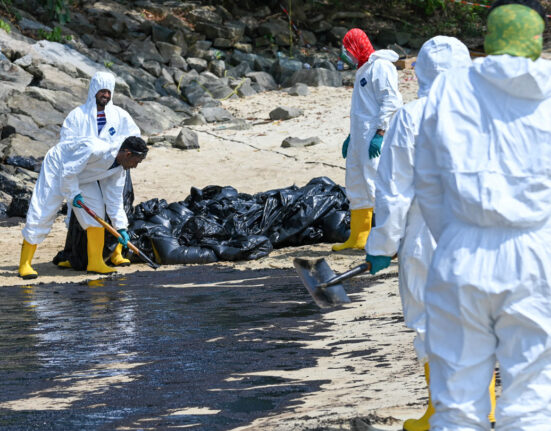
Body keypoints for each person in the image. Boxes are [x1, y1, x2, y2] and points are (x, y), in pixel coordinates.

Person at [411, 1, 550, 429]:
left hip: (461, 246)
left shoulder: (450, 87)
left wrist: (454, 235)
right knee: (532, 395)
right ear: (538, 38)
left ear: (487, 37)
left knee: (456, 400)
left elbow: (428, 183)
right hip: (535, 249)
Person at [364, 36, 497, 430]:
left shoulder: (411, 117)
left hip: (427, 236)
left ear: (420, 70)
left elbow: (394, 191)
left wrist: (381, 244)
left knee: (429, 324)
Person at [19, 136, 148, 279]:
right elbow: (68, 172)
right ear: (128, 154)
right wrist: (74, 194)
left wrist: (121, 227)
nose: (135, 166)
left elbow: (114, 200)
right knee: (43, 212)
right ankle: (25, 264)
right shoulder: (95, 150)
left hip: (84, 176)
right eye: (136, 162)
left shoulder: (120, 169)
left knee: (97, 211)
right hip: (58, 167)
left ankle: (95, 262)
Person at [57, 71, 141, 268]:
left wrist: (117, 150)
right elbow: (66, 144)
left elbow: (135, 137)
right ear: (94, 90)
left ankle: (116, 253)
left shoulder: (120, 115)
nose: (106, 95)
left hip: (115, 167)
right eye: (102, 91)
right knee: (85, 214)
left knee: (118, 205)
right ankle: (80, 256)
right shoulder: (77, 116)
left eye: (109, 92)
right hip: (84, 171)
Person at [333, 28, 403, 251]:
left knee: (376, 184)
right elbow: (363, 108)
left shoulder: (381, 67)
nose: (345, 54)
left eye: (347, 48)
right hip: (360, 136)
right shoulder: (363, 69)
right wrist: (352, 137)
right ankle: (358, 236)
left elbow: (391, 101)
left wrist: (380, 133)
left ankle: (387, 239)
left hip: (373, 136)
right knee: (356, 184)